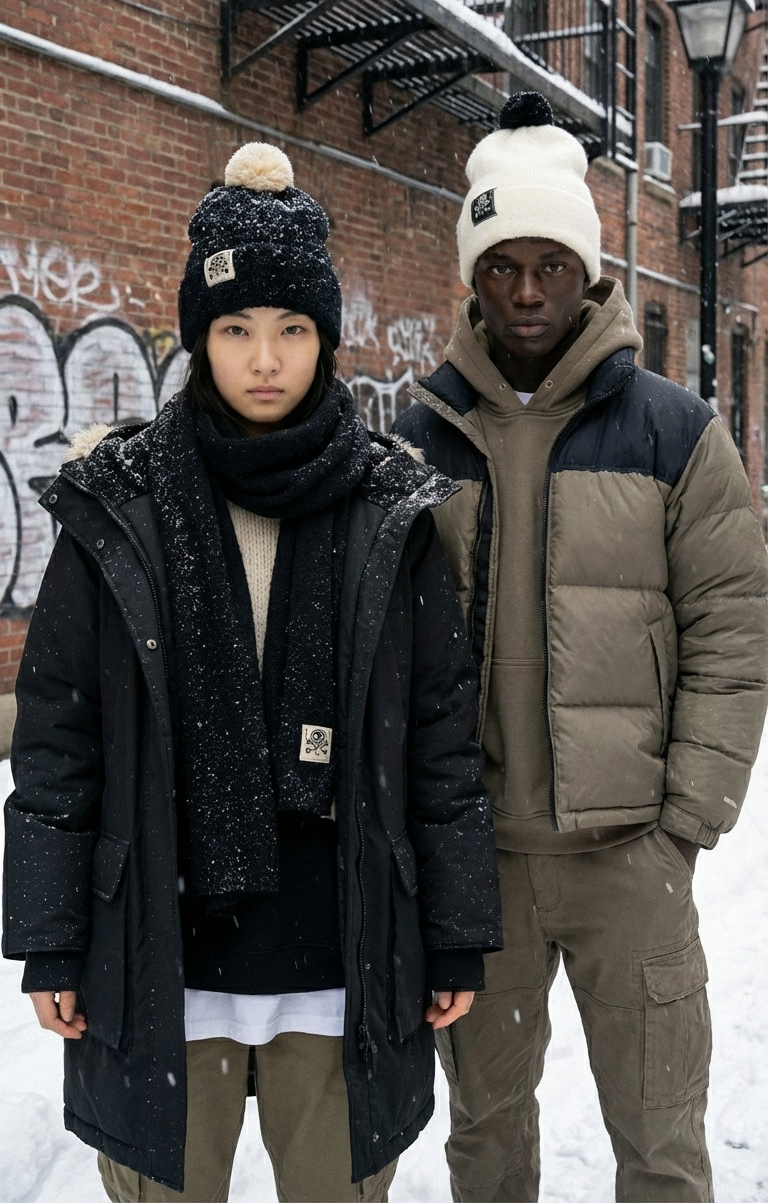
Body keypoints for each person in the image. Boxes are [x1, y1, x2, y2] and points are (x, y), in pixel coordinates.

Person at [2, 141, 502, 1203]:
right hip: (164, 964)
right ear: (200, 336)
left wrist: (456, 934)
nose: (264, 357)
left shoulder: (389, 508)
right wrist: (50, 939)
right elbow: (58, 738)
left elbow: (440, 740)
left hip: (340, 962)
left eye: (291, 328)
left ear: (324, 337)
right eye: (235, 328)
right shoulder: (119, 504)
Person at [392, 91, 768, 1203]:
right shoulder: (418, 438)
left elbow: (733, 623)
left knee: (661, 1146)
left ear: (587, 271)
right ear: (474, 275)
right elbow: (382, 647)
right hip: (479, 869)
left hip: (627, 861)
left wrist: (684, 823)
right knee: (486, 1140)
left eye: (550, 264)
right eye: (503, 266)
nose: (526, 291)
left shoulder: (672, 430)